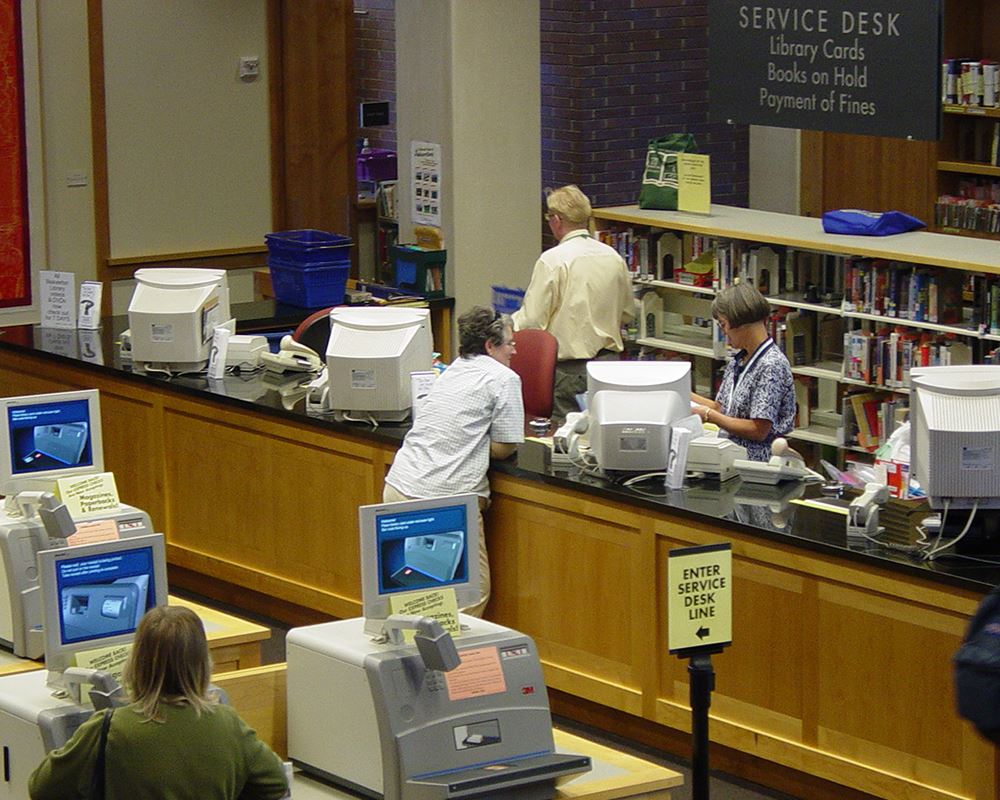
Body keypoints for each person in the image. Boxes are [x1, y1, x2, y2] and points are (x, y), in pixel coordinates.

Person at [29, 606, 288, 800]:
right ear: (201, 663)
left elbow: (41, 788)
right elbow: (276, 784)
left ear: (136, 662)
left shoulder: (108, 728)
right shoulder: (228, 723)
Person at [383, 305, 524, 617]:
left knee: (414, 590)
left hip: (400, 484)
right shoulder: (503, 378)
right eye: (510, 343)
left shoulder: (452, 370)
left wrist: (462, 436)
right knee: (470, 596)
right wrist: (471, 440)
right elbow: (504, 448)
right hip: (444, 496)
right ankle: (451, 665)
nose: (514, 351)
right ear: (490, 346)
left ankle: (413, 659)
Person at [512, 184, 635, 425]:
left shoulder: (553, 260)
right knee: (603, 434)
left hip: (568, 371)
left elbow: (532, 322)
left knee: (566, 441)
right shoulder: (613, 257)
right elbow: (628, 313)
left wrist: (507, 325)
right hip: (609, 366)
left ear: (556, 220)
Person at [690, 281, 795, 462]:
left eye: (723, 325)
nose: (724, 332)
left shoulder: (771, 365)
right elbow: (721, 408)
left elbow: (758, 430)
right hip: (731, 455)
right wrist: (681, 393)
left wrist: (709, 416)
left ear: (739, 322)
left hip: (756, 462)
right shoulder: (739, 360)